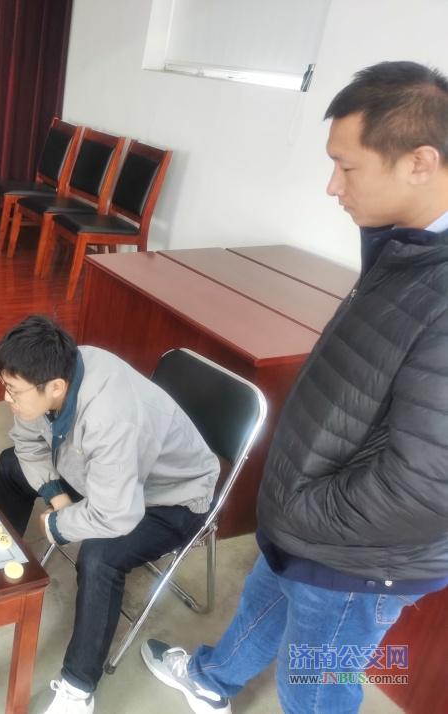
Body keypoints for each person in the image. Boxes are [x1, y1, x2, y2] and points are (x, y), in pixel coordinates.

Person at [141, 61, 448, 714]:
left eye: (346, 166)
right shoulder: (408, 248)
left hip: (354, 561)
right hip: (310, 527)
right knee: (264, 603)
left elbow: (426, 488)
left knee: (313, 686)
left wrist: (300, 513)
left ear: (420, 163)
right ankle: (211, 680)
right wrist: (290, 514)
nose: (332, 186)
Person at [0, 315, 220, 714]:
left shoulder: (110, 418)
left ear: (55, 387)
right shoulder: (49, 371)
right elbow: (27, 445)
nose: (6, 398)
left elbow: (117, 513)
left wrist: (58, 525)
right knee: (12, 465)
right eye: (4, 385)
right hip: (105, 476)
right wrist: (57, 497)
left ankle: (78, 688)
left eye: (14, 391)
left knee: (99, 557)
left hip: (171, 500)